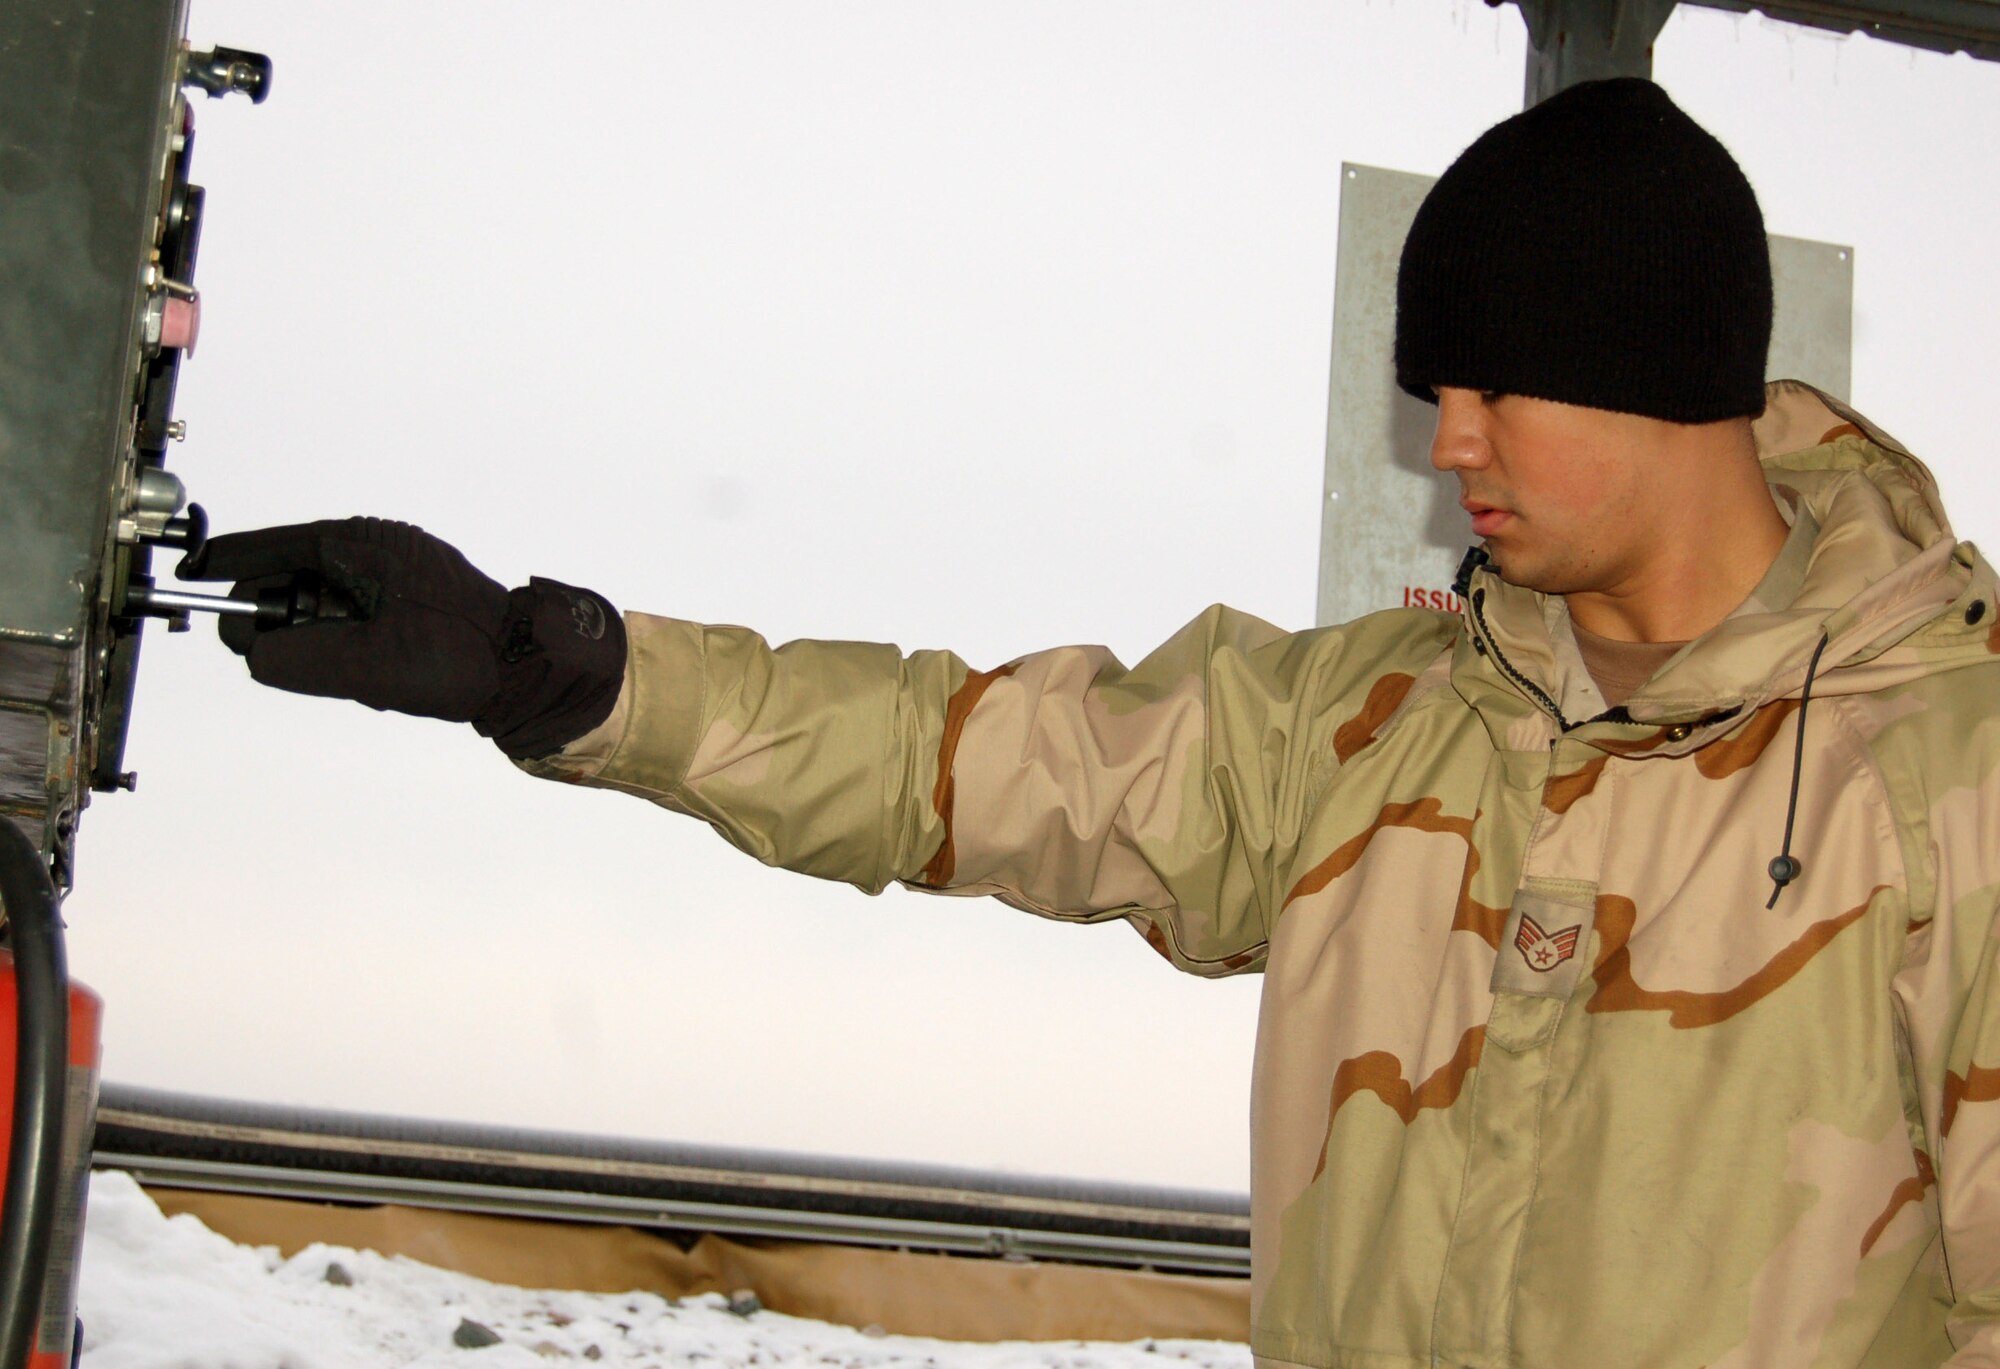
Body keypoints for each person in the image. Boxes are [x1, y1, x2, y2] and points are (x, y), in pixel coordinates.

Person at [181, 79, 2000, 1367]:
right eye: (1434, 387)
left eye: (1493, 384)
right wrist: (551, 667)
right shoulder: (1373, 725)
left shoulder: (1946, 788)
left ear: (1663, 374)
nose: (1449, 442)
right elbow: (952, 756)